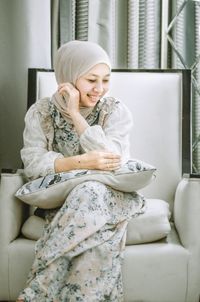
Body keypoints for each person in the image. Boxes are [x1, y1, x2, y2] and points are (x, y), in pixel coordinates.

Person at [17, 40, 145, 302]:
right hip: (63, 202)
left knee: (90, 188)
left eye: (106, 80)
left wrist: (76, 116)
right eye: (91, 80)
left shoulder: (115, 110)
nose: (100, 89)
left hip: (112, 198)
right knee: (96, 244)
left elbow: (114, 161)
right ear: (68, 77)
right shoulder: (40, 113)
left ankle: (35, 292)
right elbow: (32, 165)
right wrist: (83, 163)